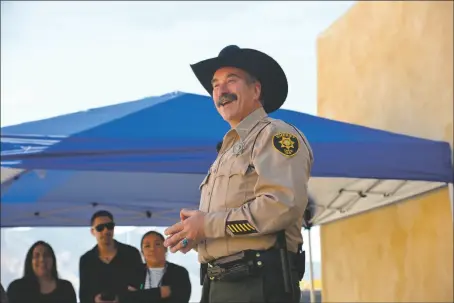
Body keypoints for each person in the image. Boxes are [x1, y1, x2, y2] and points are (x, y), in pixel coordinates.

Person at [163, 45, 314, 303]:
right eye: (215, 85)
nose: (220, 91)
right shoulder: (226, 150)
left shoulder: (274, 134)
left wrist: (207, 224)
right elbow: (231, 225)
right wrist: (197, 233)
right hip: (220, 283)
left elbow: (281, 207)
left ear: (256, 90)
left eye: (231, 81)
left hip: (258, 283)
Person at [79, 210, 143, 303]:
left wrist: (121, 299)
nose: (106, 231)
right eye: (100, 228)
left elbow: (141, 285)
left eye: (109, 226)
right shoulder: (86, 260)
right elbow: (84, 295)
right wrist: (95, 300)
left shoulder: (131, 254)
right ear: (93, 231)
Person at [122, 231, 191, 303]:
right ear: (142, 252)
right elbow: (125, 298)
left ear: (165, 249)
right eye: (147, 246)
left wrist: (139, 294)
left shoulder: (179, 272)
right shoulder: (133, 273)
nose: (152, 249)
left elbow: (181, 298)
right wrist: (160, 292)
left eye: (157, 244)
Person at [6, 241, 77, 303]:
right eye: (36, 256)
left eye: (46, 255)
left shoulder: (66, 288)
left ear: (53, 260)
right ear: (30, 261)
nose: (42, 259)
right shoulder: (16, 288)